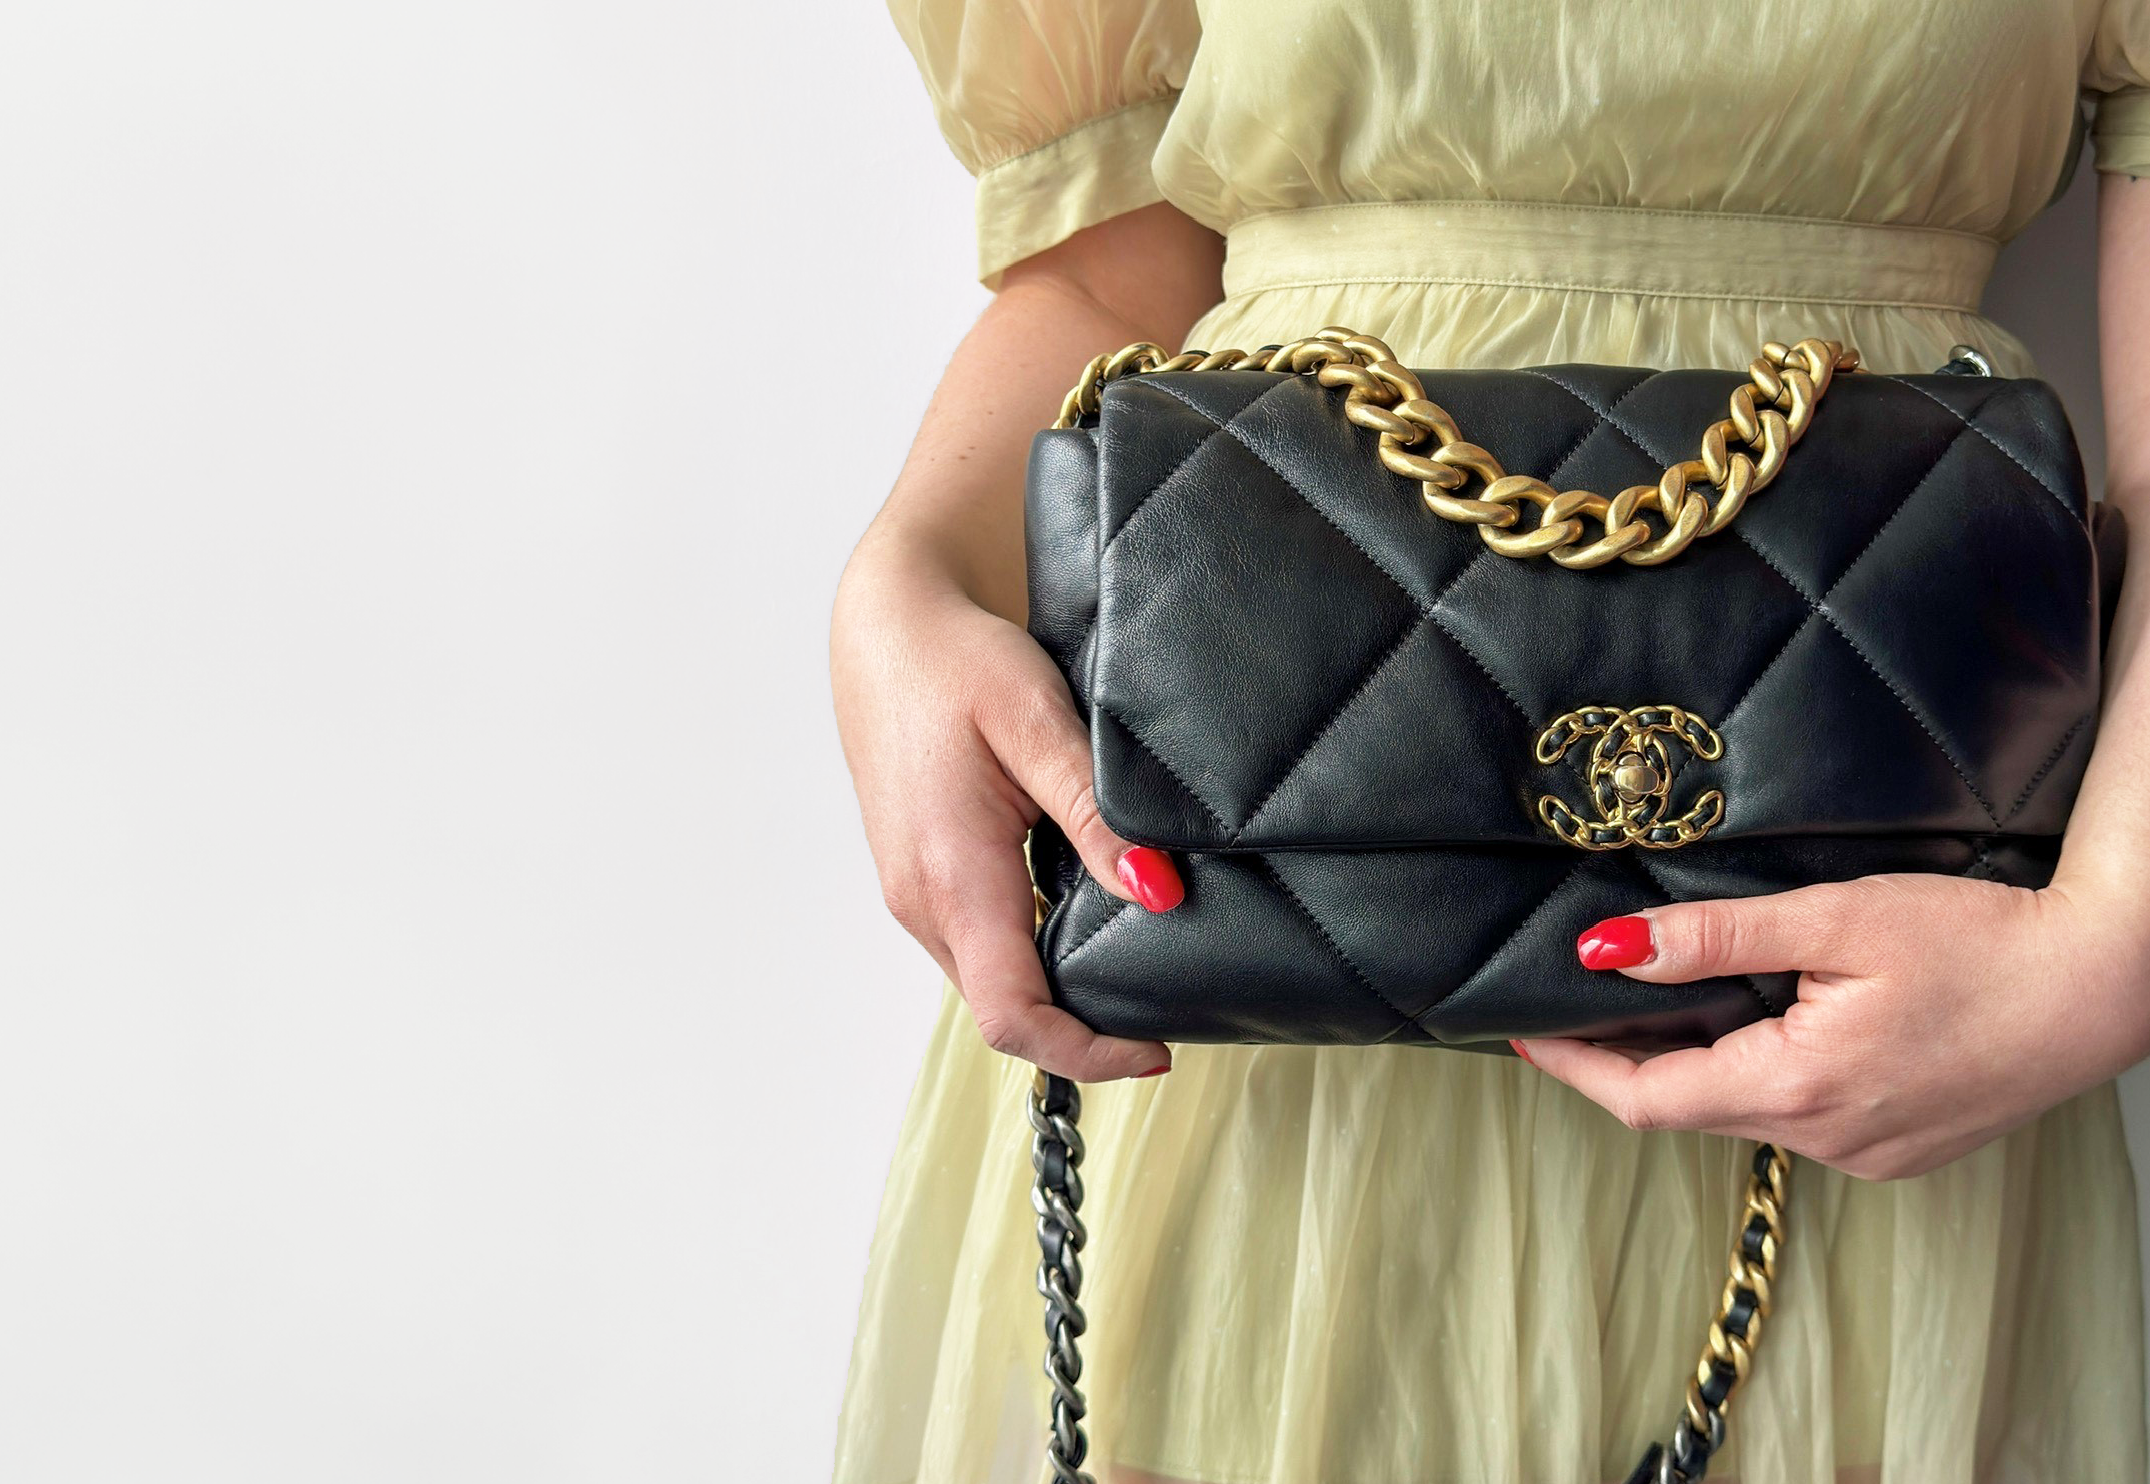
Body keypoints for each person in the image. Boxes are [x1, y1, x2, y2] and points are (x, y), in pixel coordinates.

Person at [828, 3, 2150, 1479]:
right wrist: (907, 576)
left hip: (1915, 999)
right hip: (1246, 895)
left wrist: (2113, 943)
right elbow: (1109, 270)